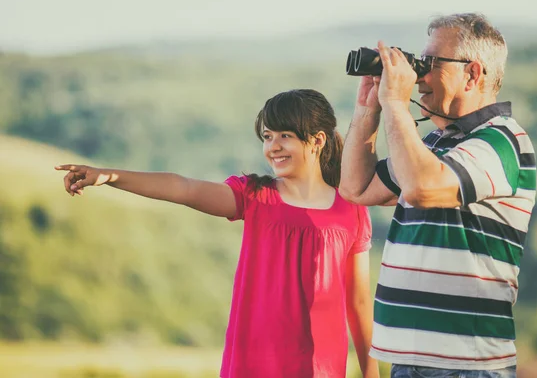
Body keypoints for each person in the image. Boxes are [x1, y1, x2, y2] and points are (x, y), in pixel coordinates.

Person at [55, 89, 380, 378]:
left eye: (285, 136)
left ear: (317, 140)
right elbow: (183, 187)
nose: (273, 147)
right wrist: (110, 176)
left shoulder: (351, 209)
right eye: (267, 137)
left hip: (322, 368)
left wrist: (370, 373)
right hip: (252, 366)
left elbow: (359, 301)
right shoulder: (255, 197)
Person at [339, 13, 536, 378]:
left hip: (466, 365)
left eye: (431, 64)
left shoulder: (502, 141)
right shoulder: (432, 144)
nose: (420, 76)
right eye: (421, 63)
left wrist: (397, 104)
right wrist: (369, 110)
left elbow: (422, 189)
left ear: (472, 73)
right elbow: (356, 188)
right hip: (410, 360)